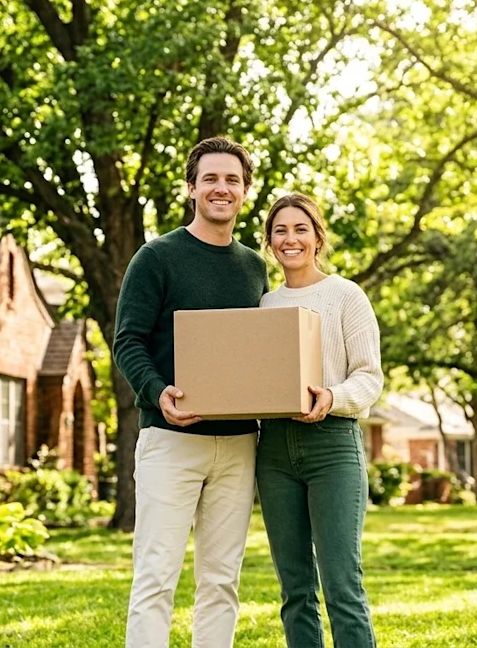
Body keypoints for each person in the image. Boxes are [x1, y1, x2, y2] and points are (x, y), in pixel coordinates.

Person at [113, 136, 269, 648]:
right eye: (210, 179)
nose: (221, 188)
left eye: (232, 180)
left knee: (222, 581)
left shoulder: (254, 267)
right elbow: (128, 340)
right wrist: (157, 393)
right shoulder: (156, 256)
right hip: (171, 440)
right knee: (156, 576)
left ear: (245, 191)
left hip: (240, 443)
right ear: (191, 188)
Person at [255, 192, 384, 647]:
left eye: (300, 229)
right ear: (269, 241)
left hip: (333, 446)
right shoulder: (263, 305)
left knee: (341, 584)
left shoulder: (345, 295)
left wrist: (332, 396)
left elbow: (370, 378)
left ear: (317, 237)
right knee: (294, 589)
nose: (290, 239)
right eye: (280, 230)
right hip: (273, 451)